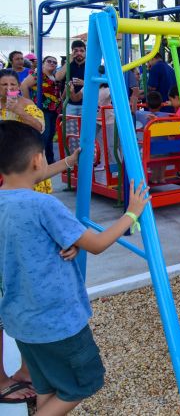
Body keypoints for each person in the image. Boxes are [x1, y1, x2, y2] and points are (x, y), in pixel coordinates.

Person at [0, 120, 149, 415]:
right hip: (58, 322)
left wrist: (71, 242)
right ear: (37, 160)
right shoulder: (43, 205)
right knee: (84, 383)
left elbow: (24, 242)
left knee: (47, 385)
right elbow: (97, 244)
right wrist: (131, 214)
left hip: (20, 320)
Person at [21, 55, 61, 163]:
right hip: (42, 109)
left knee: (50, 135)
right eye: (49, 61)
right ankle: (39, 161)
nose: (52, 63)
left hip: (54, 110)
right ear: (43, 63)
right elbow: (23, 85)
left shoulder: (54, 77)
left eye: (55, 62)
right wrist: (29, 104)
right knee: (44, 135)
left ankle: (49, 159)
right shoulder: (38, 74)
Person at [55, 40, 87, 137]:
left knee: (86, 132)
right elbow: (58, 77)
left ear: (85, 52)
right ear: (72, 52)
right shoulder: (69, 65)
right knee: (71, 133)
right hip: (70, 104)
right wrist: (69, 60)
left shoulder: (90, 65)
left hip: (86, 104)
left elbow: (99, 83)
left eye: (81, 51)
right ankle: (72, 151)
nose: (79, 53)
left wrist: (84, 83)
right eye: (75, 51)